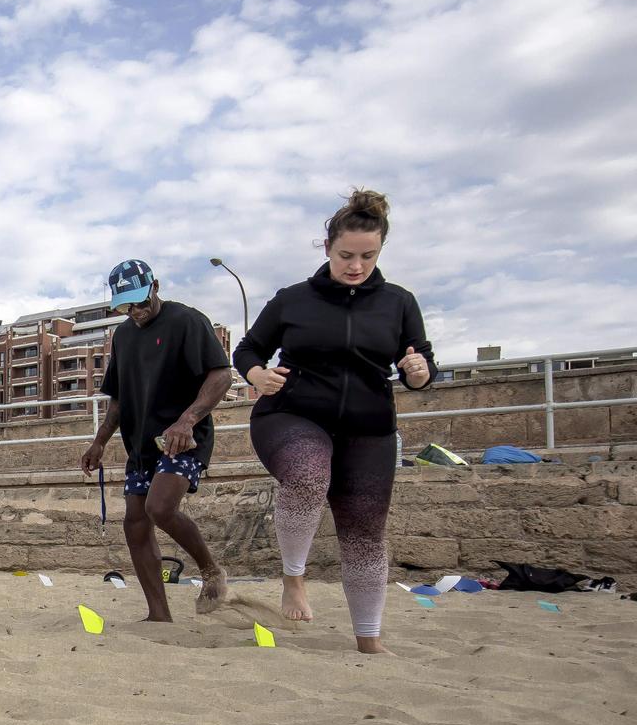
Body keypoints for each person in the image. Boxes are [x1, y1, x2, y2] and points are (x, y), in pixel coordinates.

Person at [230, 189, 437, 654]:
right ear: (327, 249)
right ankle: (293, 579)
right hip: (291, 414)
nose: (356, 266)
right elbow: (247, 350)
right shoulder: (292, 300)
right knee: (307, 474)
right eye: (346, 255)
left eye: (368, 256)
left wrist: (420, 373)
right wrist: (257, 374)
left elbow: (421, 362)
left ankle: (368, 638)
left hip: (369, 427)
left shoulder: (399, 302)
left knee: (365, 531)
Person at [80, 260, 232, 620]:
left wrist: (187, 420)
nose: (135, 311)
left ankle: (211, 570)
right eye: (125, 305)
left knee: (159, 507)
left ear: (156, 286)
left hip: (184, 436)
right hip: (142, 442)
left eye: (139, 301)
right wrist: (100, 441)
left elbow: (221, 375)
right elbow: (117, 397)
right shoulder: (124, 335)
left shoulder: (186, 321)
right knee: (134, 520)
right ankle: (159, 614)